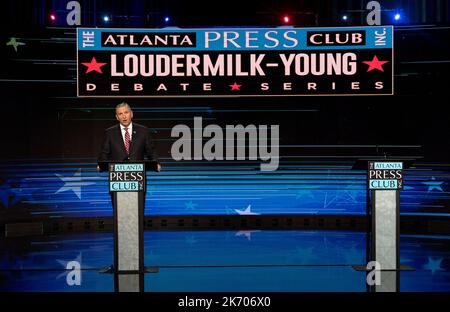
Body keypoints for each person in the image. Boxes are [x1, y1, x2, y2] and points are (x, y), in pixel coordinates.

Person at [97, 102, 161, 172]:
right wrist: (101, 166)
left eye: (126, 112)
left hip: (138, 173)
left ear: (131, 114)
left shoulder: (143, 131)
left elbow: (151, 151)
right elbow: (104, 153)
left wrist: (156, 164)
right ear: (117, 117)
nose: (124, 116)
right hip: (117, 174)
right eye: (120, 114)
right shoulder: (109, 132)